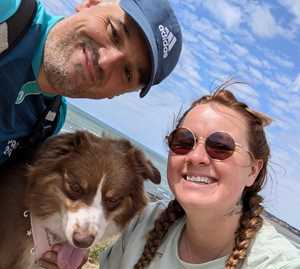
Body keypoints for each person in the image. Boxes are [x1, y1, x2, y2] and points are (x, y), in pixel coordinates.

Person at [88, 87, 300, 269]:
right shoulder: (145, 224)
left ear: (253, 170)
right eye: (183, 142)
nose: (196, 156)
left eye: (220, 146)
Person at [0, 0, 182, 165]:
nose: (105, 62)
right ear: (90, 4)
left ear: (117, 94)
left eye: (127, 73)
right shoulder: (7, 12)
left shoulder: (50, 120)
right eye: (114, 33)